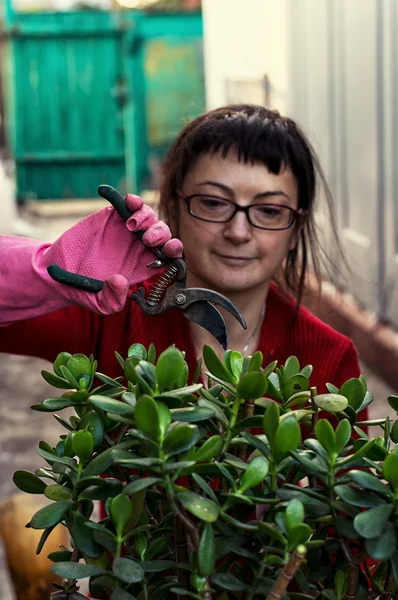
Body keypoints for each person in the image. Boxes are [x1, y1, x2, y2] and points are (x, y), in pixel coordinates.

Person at [0, 104, 362, 395]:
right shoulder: (111, 309)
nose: (238, 232)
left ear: (296, 229)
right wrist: (44, 273)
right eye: (213, 203)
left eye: (269, 210)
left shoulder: (330, 358)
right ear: (174, 209)